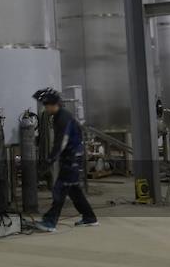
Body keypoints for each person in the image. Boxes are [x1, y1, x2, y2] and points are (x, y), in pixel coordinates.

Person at [32, 88, 98, 232]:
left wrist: (49, 160)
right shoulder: (59, 116)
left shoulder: (62, 117)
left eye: (46, 105)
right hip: (73, 156)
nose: (45, 108)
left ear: (52, 104)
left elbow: (61, 142)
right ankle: (89, 217)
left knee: (60, 189)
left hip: (71, 158)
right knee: (74, 190)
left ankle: (50, 222)